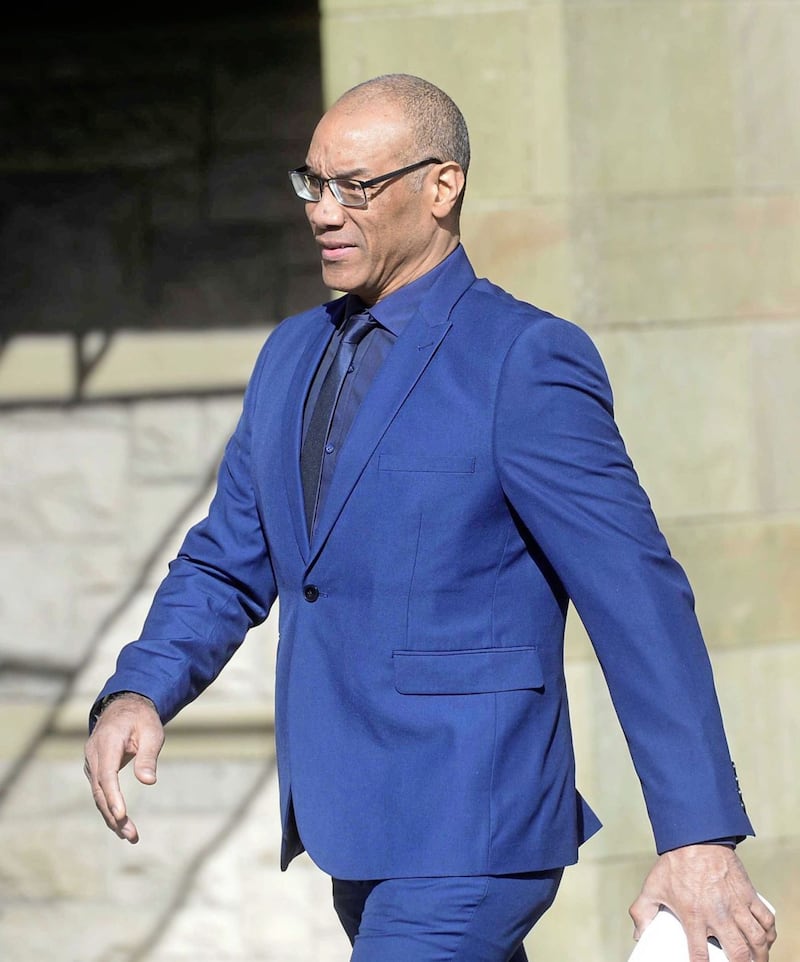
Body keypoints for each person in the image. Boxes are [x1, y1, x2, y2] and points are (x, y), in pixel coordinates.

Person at [84, 74, 777, 962]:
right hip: (352, 826)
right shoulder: (291, 352)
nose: (324, 212)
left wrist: (698, 837)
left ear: (442, 186)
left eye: (355, 187)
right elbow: (228, 557)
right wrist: (144, 687)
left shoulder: (524, 360)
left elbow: (637, 598)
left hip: (472, 826)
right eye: (313, 183)